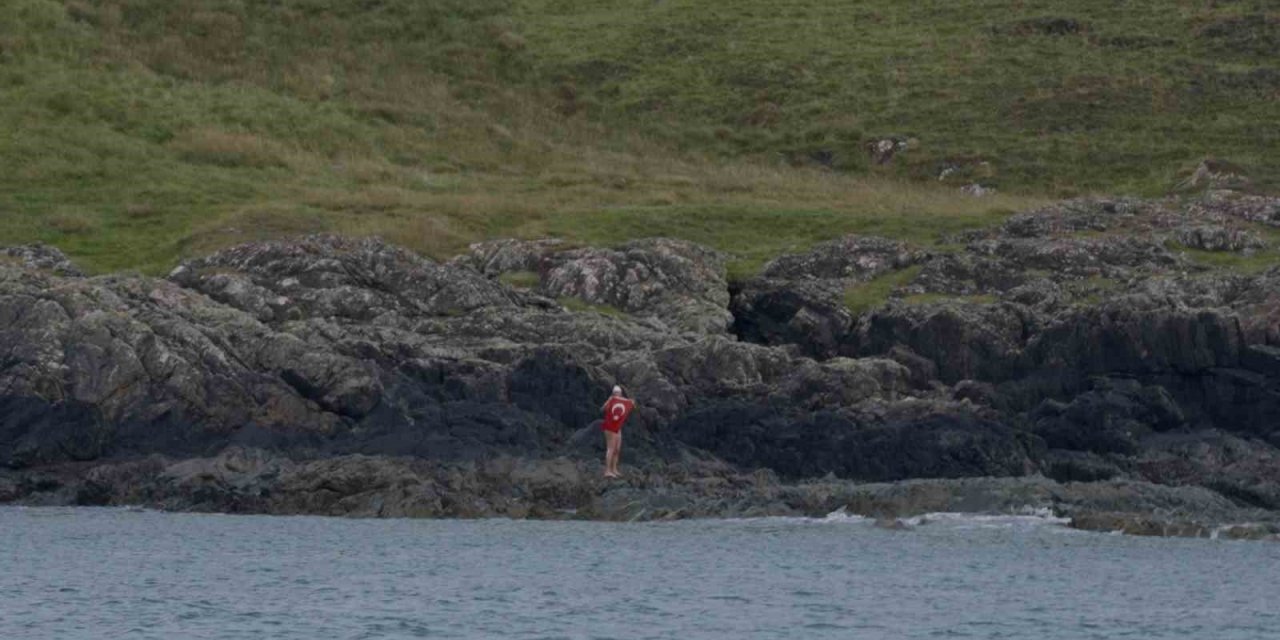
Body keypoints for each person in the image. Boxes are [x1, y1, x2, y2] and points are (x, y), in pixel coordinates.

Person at [600, 385, 635, 478]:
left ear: (621, 393)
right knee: (610, 449)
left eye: (618, 393)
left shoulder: (623, 401)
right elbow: (602, 409)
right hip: (609, 426)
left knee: (617, 449)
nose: (617, 394)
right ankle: (607, 471)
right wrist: (608, 401)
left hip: (617, 428)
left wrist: (631, 402)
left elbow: (631, 406)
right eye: (615, 393)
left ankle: (614, 469)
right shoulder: (611, 400)